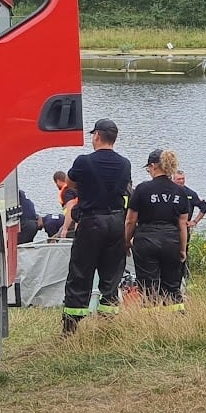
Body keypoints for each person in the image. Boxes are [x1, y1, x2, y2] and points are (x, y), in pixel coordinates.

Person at [60, 119, 134, 334]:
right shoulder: (125, 163)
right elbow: (125, 189)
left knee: (81, 273)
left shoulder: (83, 162)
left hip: (92, 221)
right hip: (116, 222)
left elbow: (70, 182)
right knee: (111, 274)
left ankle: (70, 328)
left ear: (97, 136)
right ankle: (107, 325)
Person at [126, 149, 189, 307]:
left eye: (148, 168)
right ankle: (177, 320)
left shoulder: (142, 189)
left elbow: (130, 221)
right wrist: (182, 249)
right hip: (171, 241)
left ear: (154, 166)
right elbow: (183, 225)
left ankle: (150, 323)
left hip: (146, 241)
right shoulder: (180, 192)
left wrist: (126, 241)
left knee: (149, 289)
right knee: (172, 287)